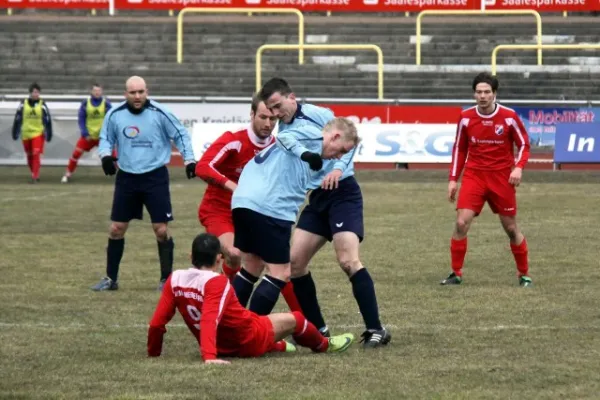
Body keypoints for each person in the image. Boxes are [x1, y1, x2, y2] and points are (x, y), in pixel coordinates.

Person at [254, 78, 391, 348]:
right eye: (271, 110)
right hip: (317, 199)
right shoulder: (282, 131)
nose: (276, 113)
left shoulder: (318, 114)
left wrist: (339, 168)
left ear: (291, 97)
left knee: (348, 260)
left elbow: (352, 140)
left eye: (278, 106)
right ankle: (319, 330)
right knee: (294, 264)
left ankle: (376, 329)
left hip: (343, 193)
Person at [147, 233, 355, 363]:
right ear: (219, 258)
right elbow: (210, 319)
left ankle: (278, 345)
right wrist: (209, 358)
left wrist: (154, 353)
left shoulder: (175, 279)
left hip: (222, 344)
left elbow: (157, 324)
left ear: (191, 257)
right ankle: (324, 345)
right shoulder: (216, 282)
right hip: (245, 340)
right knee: (297, 319)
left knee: (255, 321)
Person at [231, 117, 359, 323]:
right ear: (335, 136)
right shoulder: (314, 136)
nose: (339, 157)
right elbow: (284, 136)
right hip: (270, 208)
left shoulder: (316, 155)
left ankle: (228, 326)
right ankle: (249, 331)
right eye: (342, 150)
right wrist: (306, 154)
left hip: (243, 202)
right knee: (281, 273)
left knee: (251, 267)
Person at [194, 94, 302, 313]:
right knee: (234, 254)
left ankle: (306, 320)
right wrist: (233, 186)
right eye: (263, 117)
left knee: (277, 266)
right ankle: (232, 307)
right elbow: (203, 167)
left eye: (273, 119)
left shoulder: (277, 146)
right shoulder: (234, 140)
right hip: (219, 211)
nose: (268, 124)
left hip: (254, 214)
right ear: (252, 114)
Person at [91, 76, 197, 292]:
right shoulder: (115, 115)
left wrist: (190, 159)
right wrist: (105, 156)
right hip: (127, 178)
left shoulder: (160, 113)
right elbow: (105, 139)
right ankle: (111, 279)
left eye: (141, 92)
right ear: (125, 94)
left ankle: (166, 279)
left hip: (155, 177)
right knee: (116, 228)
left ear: (147, 91)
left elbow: (180, 134)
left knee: (160, 230)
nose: (137, 96)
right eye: (132, 93)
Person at [442, 72, 532, 287]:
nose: (482, 96)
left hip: (502, 178)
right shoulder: (465, 117)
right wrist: (453, 179)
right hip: (475, 176)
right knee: (461, 222)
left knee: (510, 228)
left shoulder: (509, 117)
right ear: (474, 94)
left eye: (487, 92)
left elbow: (524, 145)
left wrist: (518, 168)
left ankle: (524, 274)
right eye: (479, 92)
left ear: (494, 94)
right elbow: (459, 149)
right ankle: (456, 273)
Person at [62, 83, 112, 183]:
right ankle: (68, 173)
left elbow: (111, 118)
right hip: (88, 136)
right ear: (91, 92)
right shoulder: (86, 103)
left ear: (101, 91)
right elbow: (81, 119)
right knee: (76, 154)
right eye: (95, 90)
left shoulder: (106, 103)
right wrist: (85, 133)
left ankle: (120, 175)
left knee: (114, 155)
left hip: (102, 137)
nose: (97, 92)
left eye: (99, 90)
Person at [11, 82, 53, 183]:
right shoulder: (23, 104)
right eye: (34, 92)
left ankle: (35, 176)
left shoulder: (42, 105)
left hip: (37, 133)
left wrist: (49, 133)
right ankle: (34, 172)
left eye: (37, 92)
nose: (36, 94)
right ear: (30, 93)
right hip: (26, 133)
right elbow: (17, 118)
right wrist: (15, 132)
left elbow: (48, 119)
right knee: (29, 156)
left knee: (36, 154)